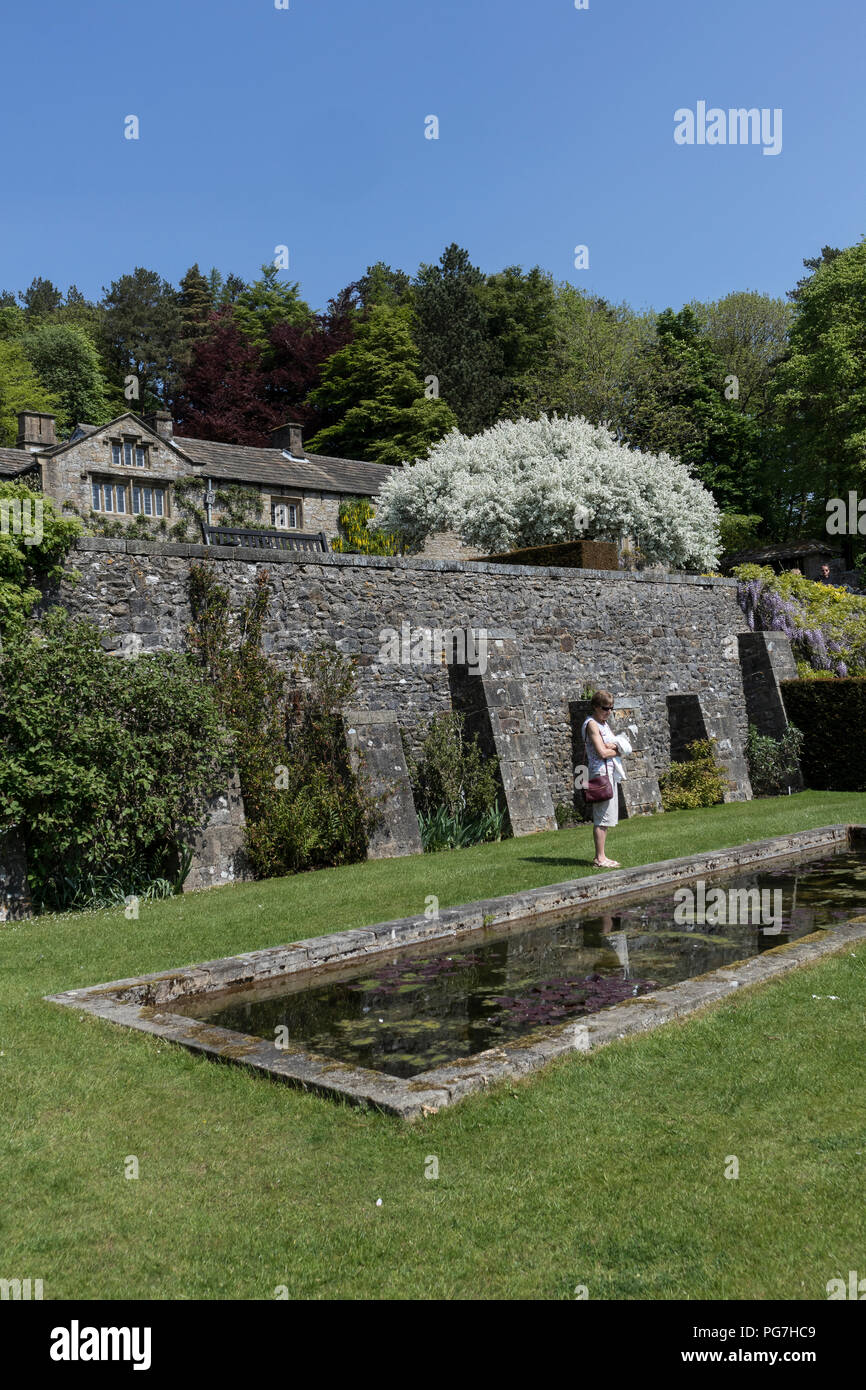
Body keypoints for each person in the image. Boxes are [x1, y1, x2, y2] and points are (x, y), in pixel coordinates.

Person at [582, 690, 622, 869]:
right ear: (596, 707)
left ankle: (602, 856)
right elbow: (602, 752)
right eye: (606, 708)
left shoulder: (603, 723)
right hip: (599, 774)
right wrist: (619, 750)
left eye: (611, 708)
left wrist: (615, 747)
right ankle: (599, 858)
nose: (609, 711)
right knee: (601, 816)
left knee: (607, 816)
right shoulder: (592, 724)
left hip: (609, 772)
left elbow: (612, 745)